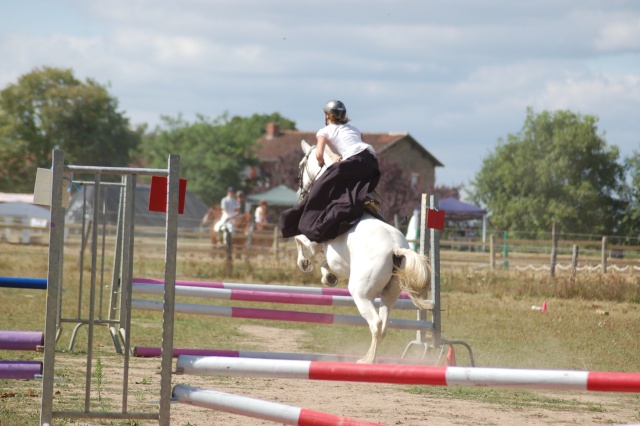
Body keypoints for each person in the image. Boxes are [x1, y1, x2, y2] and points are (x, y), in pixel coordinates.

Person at [279, 100, 380, 243]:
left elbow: (319, 154)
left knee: (320, 189)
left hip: (355, 160)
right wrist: (345, 159)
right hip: (372, 163)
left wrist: (321, 163)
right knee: (351, 192)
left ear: (327, 116)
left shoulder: (324, 131)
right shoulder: (355, 129)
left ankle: (313, 226)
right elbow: (359, 147)